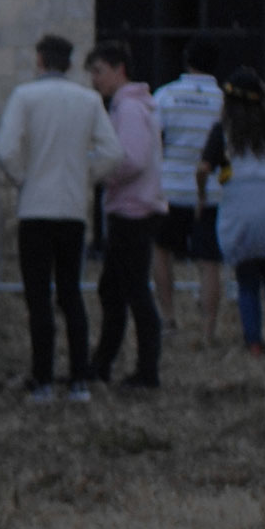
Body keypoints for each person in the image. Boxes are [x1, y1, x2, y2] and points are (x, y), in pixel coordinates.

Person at [0, 37, 120, 402]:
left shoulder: (25, 97)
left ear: (39, 60)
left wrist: (23, 178)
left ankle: (43, 377)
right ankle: (79, 377)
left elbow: (4, 149)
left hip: (36, 207)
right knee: (71, 294)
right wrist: (84, 175)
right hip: (72, 208)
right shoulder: (88, 100)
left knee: (38, 296)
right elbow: (113, 152)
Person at [83, 41, 165, 391]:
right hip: (133, 208)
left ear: (119, 70)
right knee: (114, 290)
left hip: (132, 211)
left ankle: (144, 371)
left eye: (99, 71)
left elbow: (130, 158)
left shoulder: (128, 110)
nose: (94, 80)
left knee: (131, 292)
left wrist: (101, 173)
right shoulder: (129, 107)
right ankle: (104, 363)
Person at [203, 69, 265, 358]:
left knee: (247, 281)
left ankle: (255, 343)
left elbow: (203, 168)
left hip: (240, 205)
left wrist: (200, 195)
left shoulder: (224, 130)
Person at [149, 36, 228, 341]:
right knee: (209, 262)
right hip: (210, 193)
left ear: (186, 60)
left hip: (169, 188)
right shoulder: (222, 100)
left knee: (162, 252)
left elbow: (154, 138)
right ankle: (209, 328)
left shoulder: (166, 95)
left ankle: (168, 319)